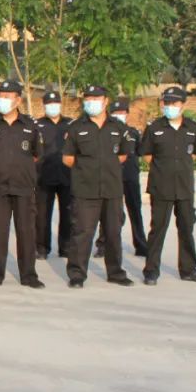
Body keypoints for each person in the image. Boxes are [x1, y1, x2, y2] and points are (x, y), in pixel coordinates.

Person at [62, 84, 136, 288]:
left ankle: (116, 272)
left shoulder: (118, 127)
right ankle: (77, 274)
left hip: (112, 189)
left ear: (105, 101)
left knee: (113, 233)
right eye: (88, 99)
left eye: (95, 99)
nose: (91, 102)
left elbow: (123, 155)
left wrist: (105, 166)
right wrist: (87, 169)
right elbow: (67, 158)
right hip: (85, 190)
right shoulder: (76, 128)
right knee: (82, 233)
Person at [140, 87, 196, 285]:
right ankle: (151, 271)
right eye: (167, 103)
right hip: (161, 186)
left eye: (174, 103)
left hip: (184, 187)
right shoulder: (154, 127)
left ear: (183, 105)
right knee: (158, 229)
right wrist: (165, 169)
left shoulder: (192, 128)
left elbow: (194, 154)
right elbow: (147, 155)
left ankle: (188, 269)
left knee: (186, 228)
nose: (170, 106)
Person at [0, 80, 45, 289]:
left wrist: (19, 168)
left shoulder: (30, 125)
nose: (2, 100)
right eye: (0, 96)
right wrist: (0, 168)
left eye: (7, 96)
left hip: (23, 187)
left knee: (26, 232)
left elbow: (36, 155)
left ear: (18, 100)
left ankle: (29, 275)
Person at [94, 98, 149, 258]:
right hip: (112, 176)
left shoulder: (133, 133)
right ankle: (103, 245)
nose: (119, 115)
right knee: (108, 212)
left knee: (135, 210)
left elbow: (140, 152)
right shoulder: (106, 132)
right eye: (116, 112)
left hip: (130, 176)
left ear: (127, 114)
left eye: (122, 112)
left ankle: (141, 244)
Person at [35, 91, 73, 260]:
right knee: (42, 215)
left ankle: (65, 247)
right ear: (44, 105)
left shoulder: (70, 124)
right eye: (49, 103)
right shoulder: (37, 125)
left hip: (67, 176)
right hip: (44, 176)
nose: (53, 106)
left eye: (55, 103)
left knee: (68, 214)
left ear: (60, 104)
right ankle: (42, 248)